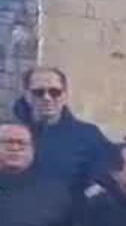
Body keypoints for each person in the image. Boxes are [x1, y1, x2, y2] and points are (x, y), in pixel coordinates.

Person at [14, 66, 113, 195]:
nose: (47, 98)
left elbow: (103, 181)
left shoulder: (88, 136)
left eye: (55, 92)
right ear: (27, 95)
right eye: (39, 92)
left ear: (65, 95)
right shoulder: (9, 134)